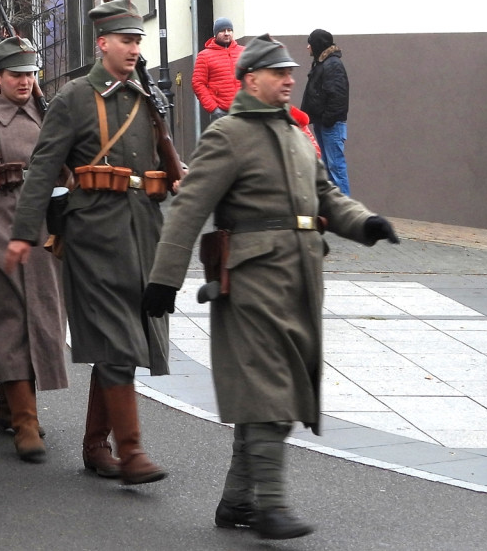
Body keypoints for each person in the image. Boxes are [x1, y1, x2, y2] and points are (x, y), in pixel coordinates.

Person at [143, 34, 400, 540]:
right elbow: (188, 211)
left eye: (290, 73)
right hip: (251, 280)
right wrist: (163, 280)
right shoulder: (228, 135)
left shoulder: (293, 131)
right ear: (250, 79)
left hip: (301, 279)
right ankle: (271, 508)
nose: (289, 80)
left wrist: (365, 223)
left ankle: (237, 501)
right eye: (278, 74)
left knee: (273, 386)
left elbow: (326, 194)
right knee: (270, 390)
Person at [5, 0, 170, 486]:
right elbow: (41, 171)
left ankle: (97, 446)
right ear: (103, 43)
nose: (135, 49)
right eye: (126, 40)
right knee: (118, 343)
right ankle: (133, 452)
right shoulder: (74, 99)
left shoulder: (145, 96)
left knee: (125, 340)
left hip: (142, 232)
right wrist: (23, 233)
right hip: (93, 236)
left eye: (138, 40)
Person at [0, 36, 68, 463]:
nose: (24, 81)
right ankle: (25, 420)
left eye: (29, 73)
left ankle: (8, 405)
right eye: (15, 74)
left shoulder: (52, 115)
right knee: (8, 319)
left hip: (44, 229)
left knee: (42, 319)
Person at [301, 29, 351, 195]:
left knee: (336, 168)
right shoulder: (322, 63)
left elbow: (338, 96)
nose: (308, 46)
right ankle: (333, 209)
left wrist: (328, 119)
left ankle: (344, 211)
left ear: (317, 45)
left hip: (331, 125)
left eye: (310, 42)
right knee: (328, 168)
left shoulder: (332, 65)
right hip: (323, 123)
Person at [192, 17, 243, 121]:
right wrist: (213, 108)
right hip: (221, 113)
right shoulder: (204, 56)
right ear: (215, 34)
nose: (226, 33)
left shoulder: (244, 52)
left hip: (244, 110)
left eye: (229, 30)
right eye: (222, 31)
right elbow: (198, 83)